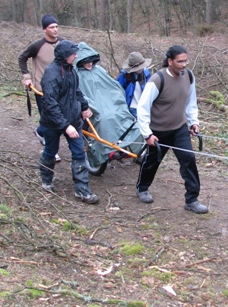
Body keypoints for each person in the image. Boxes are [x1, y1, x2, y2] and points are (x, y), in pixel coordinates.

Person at [135, 45, 208, 214]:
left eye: (185, 61)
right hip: (158, 132)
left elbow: (191, 101)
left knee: (188, 160)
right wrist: (147, 134)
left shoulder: (188, 76)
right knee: (152, 162)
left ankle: (192, 199)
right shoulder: (157, 80)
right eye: (180, 61)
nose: (184, 65)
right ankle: (142, 188)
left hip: (179, 128)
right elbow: (143, 108)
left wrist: (193, 122)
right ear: (170, 61)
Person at [38, 40, 98, 203]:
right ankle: (46, 180)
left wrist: (84, 107)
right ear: (64, 56)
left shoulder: (71, 70)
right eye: (73, 54)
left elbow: (76, 91)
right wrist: (65, 125)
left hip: (73, 120)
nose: (76, 56)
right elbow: (50, 104)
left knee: (79, 153)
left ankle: (82, 190)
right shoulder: (51, 74)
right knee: (51, 151)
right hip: (53, 123)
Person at [75, 42, 144, 170]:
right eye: (86, 61)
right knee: (105, 120)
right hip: (94, 106)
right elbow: (79, 93)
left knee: (125, 117)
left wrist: (119, 101)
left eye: (91, 60)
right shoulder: (77, 74)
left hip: (111, 103)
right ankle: (104, 150)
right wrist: (87, 106)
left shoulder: (99, 70)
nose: (89, 63)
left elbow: (114, 87)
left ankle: (131, 146)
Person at [18, 14, 64, 162]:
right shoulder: (37, 46)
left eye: (56, 26)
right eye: (52, 27)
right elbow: (22, 58)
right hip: (42, 89)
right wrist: (27, 77)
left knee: (58, 118)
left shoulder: (64, 43)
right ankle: (51, 151)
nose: (55, 29)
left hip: (62, 89)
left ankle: (40, 131)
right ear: (45, 29)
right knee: (50, 119)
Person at [116, 52, 152, 118]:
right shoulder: (124, 76)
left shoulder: (146, 74)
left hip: (145, 106)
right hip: (132, 107)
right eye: (138, 67)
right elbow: (117, 92)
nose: (140, 69)